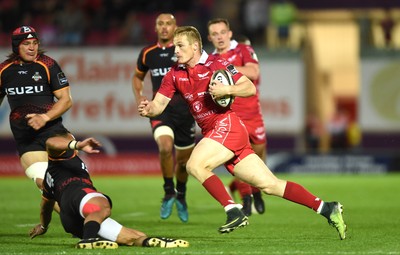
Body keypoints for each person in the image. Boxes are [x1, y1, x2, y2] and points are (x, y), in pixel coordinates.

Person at [138, 26, 347, 240]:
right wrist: (148, 109)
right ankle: (327, 208)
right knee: (270, 185)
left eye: (180, 46)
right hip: (217, 133)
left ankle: (233, 210)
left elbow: (249, 87)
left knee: (194, 164)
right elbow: (159, 104)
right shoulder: (174, 73)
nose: (176, 51)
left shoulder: (215, 64)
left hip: (226, 125)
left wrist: (227, 90)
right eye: (175, 47)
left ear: (195, 46)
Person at [29, 133, 189, 249]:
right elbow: (51, 142)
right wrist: (76, 144)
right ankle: (88, 240)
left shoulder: (49, 177)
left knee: (133, 237)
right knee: (102, 204)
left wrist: (43, 226)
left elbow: (46, 207)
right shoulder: (59, 157)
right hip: (80, 197)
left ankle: (152, 242)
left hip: (72, 219)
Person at [132, 13, 196, 223]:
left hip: (185, 113)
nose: (165, 27)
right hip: (161, 110)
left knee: (184, 163)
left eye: (169, 24)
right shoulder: (148, 53)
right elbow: (137, 77)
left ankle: (182, 195)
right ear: (155, 28)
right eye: (161, 24)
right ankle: (169, 192)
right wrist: (140, 95)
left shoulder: (183, 51)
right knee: (165, 147)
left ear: (175, 27)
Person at [0, 26, 72, 193]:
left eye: (35, 43)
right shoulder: (3, 71)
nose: (32, 48)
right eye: (26, 44)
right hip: (27, 138)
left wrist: (45, 118)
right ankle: (78, 219)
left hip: (54, 132)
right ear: (16, 46)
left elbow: (66, 100)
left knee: (71, 184)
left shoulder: (47, 64)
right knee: (44, 184)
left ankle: (86, 216)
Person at [207, 19, 266, 216]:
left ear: (229, 33)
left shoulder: (242, 50)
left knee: (258, 154)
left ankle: (257, 191)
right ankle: (246, 197)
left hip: (252, 114)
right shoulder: (209, 60)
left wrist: (227, 69)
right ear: (210, 38)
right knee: (237, 157)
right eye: (215, 34)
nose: (219, 37)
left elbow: (254, 72)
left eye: (222, 32)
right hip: (231, 115)